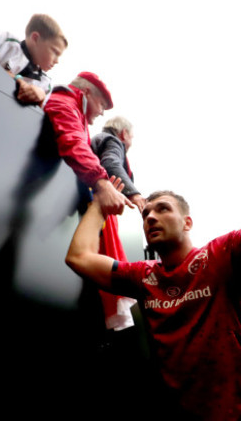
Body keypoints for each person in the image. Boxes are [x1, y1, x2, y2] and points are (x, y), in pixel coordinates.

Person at [65, 55, 241, 420]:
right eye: (146, 213)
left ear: (188, 222)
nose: (151, 216)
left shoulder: (221, 257)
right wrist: (100, 201)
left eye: (162, 209)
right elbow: (79, 258)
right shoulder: (145, 277)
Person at [44, 72, 131, 218]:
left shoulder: (77, 113)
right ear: (86, 92)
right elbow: (73, 143)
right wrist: (102, 184)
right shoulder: (65, 104)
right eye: (102, 104)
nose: (102, 113)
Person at [91, 116, 145, 331]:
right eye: (131, 137)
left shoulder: (97, 139)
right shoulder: (112, 141)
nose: (130, 143)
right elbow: (111, 163)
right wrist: (136, 195)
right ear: (123, 134)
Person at [0, 14, 68, 106]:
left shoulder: (45, 84)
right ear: (35, 38)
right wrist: (16, 79)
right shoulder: (5, 42)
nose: (57, 61)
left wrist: (41, 95)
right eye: (55, 52)